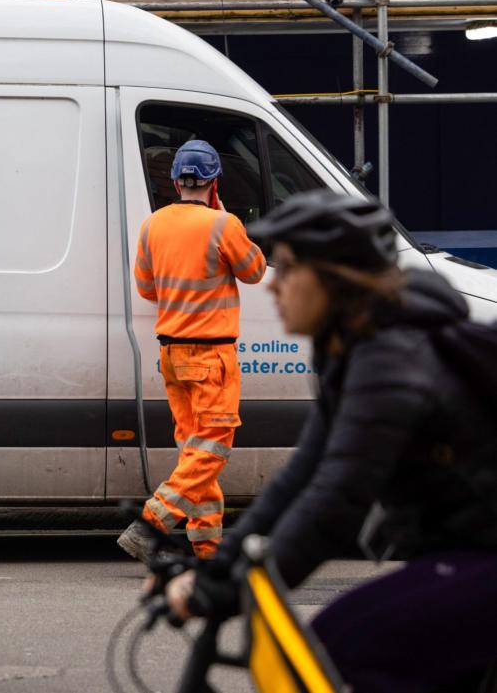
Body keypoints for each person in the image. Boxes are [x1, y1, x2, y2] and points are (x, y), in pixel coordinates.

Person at [163, 190, 497, 692]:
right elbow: (302, 477)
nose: (274, 283)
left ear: (335, 280)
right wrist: (217, 567)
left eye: (290, 266)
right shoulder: (350, 350)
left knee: (341, 647)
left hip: (484, 557)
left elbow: (337, 501)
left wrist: (221, 592)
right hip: (464, 551)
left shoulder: (391, 358)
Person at [118, 140, 266, 562]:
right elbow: (254, 272)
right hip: (211, 356)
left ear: (175, 181)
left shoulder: (152, 225)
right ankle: (152, 523)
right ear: (214, 181)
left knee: (195, 453)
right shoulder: (224, 224)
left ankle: (207, 547)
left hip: (172, 356)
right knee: (212, 446)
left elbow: (147, 289)